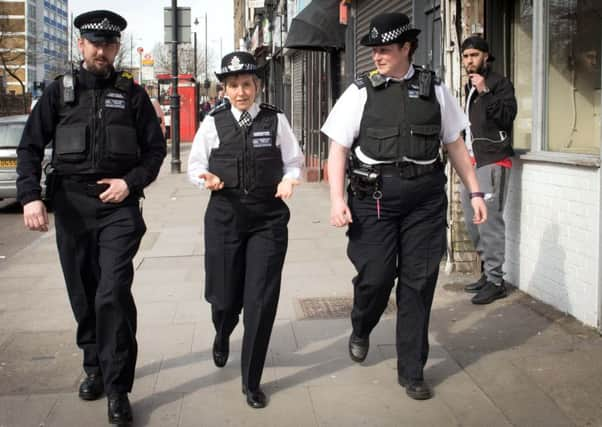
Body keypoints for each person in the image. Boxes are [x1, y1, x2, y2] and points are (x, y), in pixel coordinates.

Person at [321, 13, 487, 400]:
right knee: (376, 277)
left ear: (406, 48)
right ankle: (361, 325)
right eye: (374, 50)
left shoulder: (436, 90)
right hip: (373, 200)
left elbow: (455, 145)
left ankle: (412, 369)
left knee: (418, 284)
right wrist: (335, 199)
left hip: (425, 201)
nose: (377, 56)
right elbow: (337, 148)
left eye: (384, 50)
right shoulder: (361, 92)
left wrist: (476, 192)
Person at [16, 10, 166, 426]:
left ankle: (118, 389)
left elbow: (156, 152)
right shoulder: (58, 92)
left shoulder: (132, 94)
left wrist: (129, 182)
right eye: (94, 43)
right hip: (72, 209)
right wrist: (30, 197)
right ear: (80, 45)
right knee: (83, 294)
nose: (101, 51)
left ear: (117, 47)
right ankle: (93, 365)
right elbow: (29, 147)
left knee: (112, 292)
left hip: (118, 207)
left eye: (109, 44)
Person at [187, 51, 303, 409]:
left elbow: (293, 161)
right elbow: (195, 165)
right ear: (224, 89)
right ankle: (222, 331)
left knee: (260, 301)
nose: (241, 92)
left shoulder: (275, 120)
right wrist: (203, 178)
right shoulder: (213, 122)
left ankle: (251, 380)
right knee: (224, 298)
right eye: (233, 85)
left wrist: (289, 180)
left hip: (268, 220)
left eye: (247, 85)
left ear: (258, 86)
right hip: (225, 218)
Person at [460, 36, 517, 305]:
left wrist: (485, 91)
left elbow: (506, 117)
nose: (469, 61)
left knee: (490, 223)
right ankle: (487, 272)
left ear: (486, 56)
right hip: (472, 164)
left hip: (493, 161)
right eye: (465, 56)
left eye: (474, 55)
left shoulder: (498, 84)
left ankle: (496, 281)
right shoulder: (469, 87)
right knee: (473, 223)